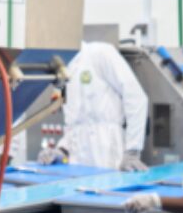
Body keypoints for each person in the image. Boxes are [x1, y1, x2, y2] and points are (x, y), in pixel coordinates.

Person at [36, 41, 149, 171]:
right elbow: (74, 124)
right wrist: (62, 150)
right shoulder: (63, 72)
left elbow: (136, 97)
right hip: (77, 162)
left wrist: (132, 151)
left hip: (107, 152)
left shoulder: (100, 54)